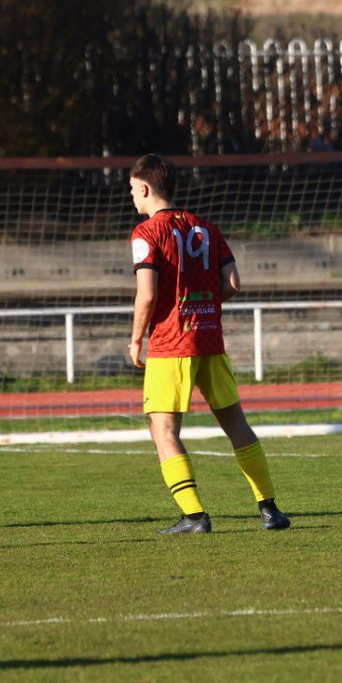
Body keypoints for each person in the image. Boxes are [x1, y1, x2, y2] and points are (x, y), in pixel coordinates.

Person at [127, 154, 290, 535]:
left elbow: (147, 295)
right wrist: (202, 301)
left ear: (146, 188)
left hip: (170, 345)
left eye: (133, 190)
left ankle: (195, 516)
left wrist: (136, 339)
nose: (132, 198)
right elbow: (232, 283)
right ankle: (269, 509)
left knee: (164, 431)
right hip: (210, 340)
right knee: (237, 426)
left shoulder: (146, 233)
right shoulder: (205, 228)